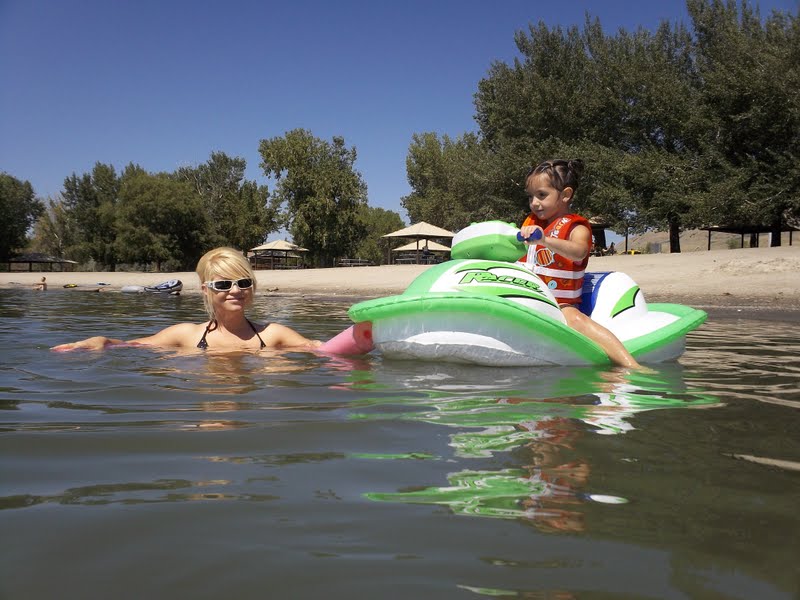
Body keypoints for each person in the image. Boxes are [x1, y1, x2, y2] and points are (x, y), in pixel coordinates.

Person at [52, 247, 372, 353]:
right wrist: (103, 341)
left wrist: (368, 333)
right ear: (205, 290)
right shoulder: (186, 335)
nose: (235, 290)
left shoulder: (273, 335)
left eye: (244, 282)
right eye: (223, 283)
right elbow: (132, 347)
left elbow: (322, 350)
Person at [519, 159, 641, 369]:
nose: (534, 203)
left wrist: (545, 240)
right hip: (528, 296)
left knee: (573, 319)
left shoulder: (577, 227)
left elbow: (579, 252)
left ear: (565, 195)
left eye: (541, 195)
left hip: (560, 304)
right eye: (531, 197)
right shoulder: (531, 226)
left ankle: (631, 366)